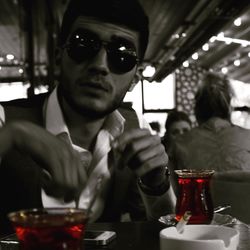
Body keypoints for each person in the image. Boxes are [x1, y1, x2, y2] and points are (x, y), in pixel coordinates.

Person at [0, 0, 175, 235]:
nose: (99, 65)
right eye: (83, 45)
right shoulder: (5, 121)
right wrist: (11, 137)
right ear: (59, 56)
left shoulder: (135, 128)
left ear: (135, 78)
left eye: (121, 55)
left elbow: (168, 232)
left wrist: (157, 185)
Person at [170, 72, 250, 173]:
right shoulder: (248, 137)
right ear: (229, 107)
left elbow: (171, 187)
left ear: (197, 109)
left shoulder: (179, 144)